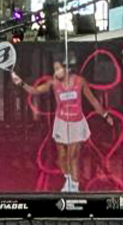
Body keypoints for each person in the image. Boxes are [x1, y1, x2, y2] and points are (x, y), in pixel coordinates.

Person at [13, 58, 111, 193]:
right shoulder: (53, 83)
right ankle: (69, 180)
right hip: (61, 123)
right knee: (62, 158)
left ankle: (74, 188)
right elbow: (35, 91)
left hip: (76, 123)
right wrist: (21, 83)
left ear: (67, 69)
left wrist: (105, 115)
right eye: (55, 70)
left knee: (73, 157)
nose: (56, 72)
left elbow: (93, 100)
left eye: (59, 68)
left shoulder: (79, 81)